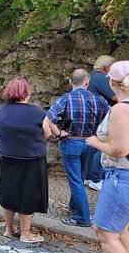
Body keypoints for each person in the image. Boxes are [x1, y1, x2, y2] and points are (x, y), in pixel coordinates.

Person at [47, 69, 110, 227]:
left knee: (75, 181)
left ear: (70, 82)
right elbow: (112, 117)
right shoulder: (99, 99)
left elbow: (48, 117)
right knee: (80, 178)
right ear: (87, 82)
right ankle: (74, 207)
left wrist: (58, 133)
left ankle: (82, 217)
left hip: (71, 142)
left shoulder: (66, 98)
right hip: (90, 142)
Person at [0, 78, 52, 243]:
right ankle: (25, 234)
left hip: (8, 158)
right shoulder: (36, 111)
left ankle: (8, 229)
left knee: (9, 192)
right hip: (31, 159)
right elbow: (47, 132)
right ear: (26, 93)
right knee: (27, 195)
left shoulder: (3, 110)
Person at [86, 61, 129, 253]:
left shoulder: (121, 109)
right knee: (122, 230)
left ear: (112, 81)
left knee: (105, 232)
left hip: (121, 176)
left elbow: (119, 150)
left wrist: (95, 142)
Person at [86, 55, 117, 191]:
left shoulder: (93, 77)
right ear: (106, 68)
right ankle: (95, 178)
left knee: (92, 147)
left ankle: (87, 176)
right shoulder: (100, 78)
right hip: (102, 117)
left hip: (94, 117)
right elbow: (116, 96)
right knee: (102, 146)